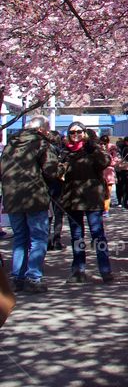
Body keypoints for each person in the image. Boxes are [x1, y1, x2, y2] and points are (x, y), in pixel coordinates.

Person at [0, 116, 60, 293]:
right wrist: (61, 169)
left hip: (12, 198)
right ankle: (33, 277)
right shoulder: (41, 144)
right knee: (38, 238)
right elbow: (51, 170)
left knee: (20, 238)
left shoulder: (10, 145)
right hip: (34, 197)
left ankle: (17, 277)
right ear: (41, 129)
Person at [59, 123, 114, 283]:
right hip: (73, 198)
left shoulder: (91, 149)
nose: (75, 134)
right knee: (77, 235)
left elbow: (105, 161)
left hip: (92, 198)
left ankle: (105, 270)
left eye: (79, 131)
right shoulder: (65, 151)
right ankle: (78, 270)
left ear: (84, 133)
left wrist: (94, 146)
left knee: (98, 235)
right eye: (72, 132)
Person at [116, 136, 128, 209]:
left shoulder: (123, 148)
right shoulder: (126, 149)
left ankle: (125, 201)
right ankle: (126, 202)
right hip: (127, 170)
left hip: (124, 170)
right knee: (127, 186)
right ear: (127, 141)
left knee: (126, 186)